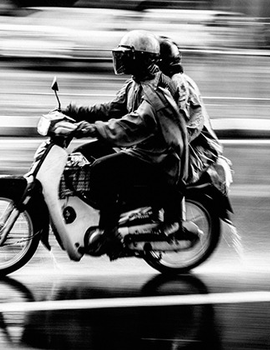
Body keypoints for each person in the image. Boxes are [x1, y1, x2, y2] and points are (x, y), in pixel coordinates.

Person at [54, 30, 190, 255]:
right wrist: (72, 111)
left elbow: (131, 126)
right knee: (85, 154)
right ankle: (103, 210)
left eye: (127, 56)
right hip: (144, 148)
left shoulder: (156, 92)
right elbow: (111, 110)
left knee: (101, 170)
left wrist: (89, 128)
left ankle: (110, 232)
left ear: (141, 59)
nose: (121, 60)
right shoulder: (135, 83)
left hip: (160, 158)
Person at [157, 37, 223, 185]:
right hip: (184, 146)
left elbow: (188, 130)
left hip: (200, 149)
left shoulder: (180, 85)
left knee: (167, 177)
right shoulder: (158, 85)